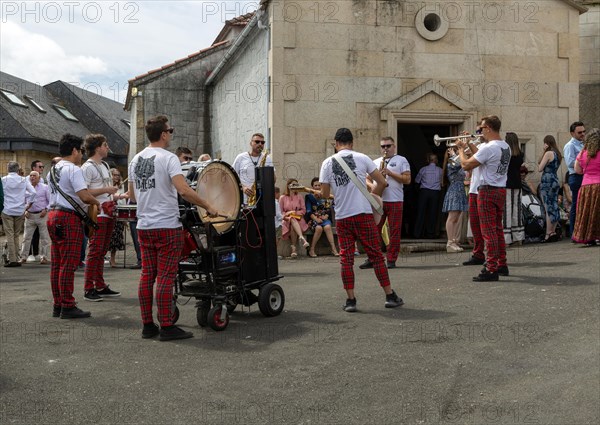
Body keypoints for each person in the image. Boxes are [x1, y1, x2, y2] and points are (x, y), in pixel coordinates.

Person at [128, 115, 218, 341]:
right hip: (167, 225)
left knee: (147, 275)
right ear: (163, 134)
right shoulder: (168, 158)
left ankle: (148, 325)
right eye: (170, 130)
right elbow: (184, 190)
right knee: (166, 277)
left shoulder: (135, 160)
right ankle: (167, 326)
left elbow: (131, 195)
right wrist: (208, 205)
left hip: (144, 225)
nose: (171, 133)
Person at [319, 128, 404, 312]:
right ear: (352, 142)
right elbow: (382, 182)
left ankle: (351, 301)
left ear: (336, 143)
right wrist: (374, 198)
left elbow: (325, 194)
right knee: (376, 256)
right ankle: (389, 295)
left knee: (346, 259)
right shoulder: (362, 158)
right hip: (363, 213)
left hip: (342, 217)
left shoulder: (327, 163)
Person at [47, 134, 100, 319]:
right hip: (67, 217)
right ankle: (68, 305)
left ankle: (58, 304)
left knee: (57, 264)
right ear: (74, 150)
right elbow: (84, 196)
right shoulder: (73, 169)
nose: (82, 155)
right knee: (69, 264)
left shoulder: (52, 170)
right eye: (81, 151)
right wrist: (97, 203)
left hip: (52, 215)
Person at [457, 116, 510, 281]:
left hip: (487, 191)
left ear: (488, 128)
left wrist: (460, 149)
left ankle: (491, 268)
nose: (480, 132)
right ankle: (502, 264)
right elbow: (482, 156)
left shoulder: (490, 147)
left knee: (489, 232)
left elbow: (466, 165)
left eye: (481, 129)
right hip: (500, 189)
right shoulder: (504, 146)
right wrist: (469, 145)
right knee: (497, 230)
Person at [81, 134, 121, 301]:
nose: (107, 148)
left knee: (101, 251)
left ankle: (100, 284)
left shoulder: (104, 164)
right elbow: (84, 191)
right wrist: (107, 191)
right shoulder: (87, 167)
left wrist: (115, 196)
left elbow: (104, 189)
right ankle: (88, 288)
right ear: (97, 148)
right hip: (97, 214)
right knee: (95, 251)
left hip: (108, 212)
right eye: (105, 145)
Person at [363, 136, 410, 268]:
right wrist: (372, 186)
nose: (385, 149)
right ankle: (373, 258)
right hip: (378, 199)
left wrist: (390, 173)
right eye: (383, 146)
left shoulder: (401, 160)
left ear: (394, 147)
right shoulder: (375, 161)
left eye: (388, 146)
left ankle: (391, 260)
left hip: (395, 200)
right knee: (374, 230)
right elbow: (366, 179)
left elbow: (407, 180)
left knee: (394, 231)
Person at [1, 162, 36, 267]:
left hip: (7, 209)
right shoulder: (24, 180)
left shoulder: (3, 180)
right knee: (16, 235)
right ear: (18, 169)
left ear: (8, 169)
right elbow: (33, 192)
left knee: (10, 235)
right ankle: (16, 257)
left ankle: (12, 259)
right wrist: (28, 205)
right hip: (20, 210)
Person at [572, 128, 600, 246]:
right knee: (597, 213)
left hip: (585, 186)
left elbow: (577, 169)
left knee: (586, 213)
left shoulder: (582, 153)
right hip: (598, 185)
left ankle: (588, 237)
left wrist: (587, 172)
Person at [19, 171, 51, 264]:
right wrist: (25, 210)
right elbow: (23, 201)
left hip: (42, 215)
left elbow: (50, 201)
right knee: (26, 237)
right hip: (30, 215)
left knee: (44, 237)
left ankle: (44, 257)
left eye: (34, 176)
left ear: (38, 177)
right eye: (31, 176)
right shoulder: (26, 188)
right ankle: (23, 257)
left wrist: (46, 209)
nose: (32, 177)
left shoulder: (45, 187)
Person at [232, 133, 274, 205]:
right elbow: (232, 176)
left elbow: (273, 179)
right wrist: (243, 187)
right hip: (244, 200)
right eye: (257, 142)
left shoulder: (267, 158)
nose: (260, 144)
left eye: (262, 142)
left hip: (262, 201)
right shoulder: (241, 157)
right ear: (251, 143)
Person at [441, 147, 467, 253]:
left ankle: (455, 241)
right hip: (454, 191)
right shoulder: (451, 163)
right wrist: (453, 156)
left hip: (460, 190)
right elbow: (457, 164)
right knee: (452, 217)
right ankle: (450, 242)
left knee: (456, 218)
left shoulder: (456, 162)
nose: (458, 153)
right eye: (456, 151)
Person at [304, 177, 339, 258]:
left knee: (327, 227)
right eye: (315, 185)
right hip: (313, 219)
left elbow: (328, 208)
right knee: (319, 228)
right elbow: (308, 211)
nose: (317, 187)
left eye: (319, 185)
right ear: (312, 186)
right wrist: (316, 219)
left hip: (324, 219)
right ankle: (312, 249)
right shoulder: (309, 197)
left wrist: (326, 216)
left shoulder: (325, 195)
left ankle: (333, 249)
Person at [538, 135, 562, 243]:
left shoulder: (548, 153)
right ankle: (553, 231)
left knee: (547, 206)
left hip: (547, 181)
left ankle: (548, 233)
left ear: (546, 143)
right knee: (554, 205)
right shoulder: (557, 154)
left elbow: (539, 168)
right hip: (555, 179)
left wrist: (544, 151)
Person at [563, 121, 586, 239]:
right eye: (579, 132)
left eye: (583, 131)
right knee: (576, 206)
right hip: (576, 177)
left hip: (584, 176)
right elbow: (570, 162)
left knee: (583, 205)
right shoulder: (570, 145)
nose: (582, 134)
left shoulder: (583, 144)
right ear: (572, 133)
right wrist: (585, 162)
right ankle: (573, 233)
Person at [413, 153, 443, 238]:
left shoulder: (423, 169)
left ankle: (417, 233)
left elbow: (417, 181)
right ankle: (430, 233)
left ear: (428, 160)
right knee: (432, 213)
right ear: (436, 160)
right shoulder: (440, 170)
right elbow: (442, 183)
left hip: (424, 192)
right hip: (435, 193)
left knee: (420, 212)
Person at [503, 132, 525, 245]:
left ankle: (506, 238)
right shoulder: (520, 154)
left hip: (507, 184)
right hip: (517, 183)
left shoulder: (506, 154)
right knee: (517, 210)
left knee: (507, 211)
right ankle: (518, 237)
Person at [280, 178, 310, 258]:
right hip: (286, 219)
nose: (295, 187)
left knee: (293, 223)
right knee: (291, 219)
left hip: (298, 219)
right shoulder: (282, 197)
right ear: (288, 186)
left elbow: (304, 210)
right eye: (293, 185)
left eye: (296, 185)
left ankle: (294, 249)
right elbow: (280, 212)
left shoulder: (299, 196)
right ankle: (302, 238)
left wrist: (295, 213)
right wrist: (288, 213)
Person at [108, 168, 127, 267]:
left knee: (116, 236)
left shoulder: (120, 185)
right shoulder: (107, 185)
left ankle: (112, 258)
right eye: (114, 175)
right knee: (108, 236)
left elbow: (122, 201)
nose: (116, 177)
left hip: (117, 212)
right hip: (108, 211)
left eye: (118, 175)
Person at [28, 160, 46, 261]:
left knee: (38, 233)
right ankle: (29, 253)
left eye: (42, 167)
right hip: (30, 211)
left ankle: (36, 252)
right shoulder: (27, 181)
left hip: (39, 212)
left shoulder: (42, 180)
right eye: (40, 167)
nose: (42, 168)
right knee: (29, 234)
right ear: (34, 168)